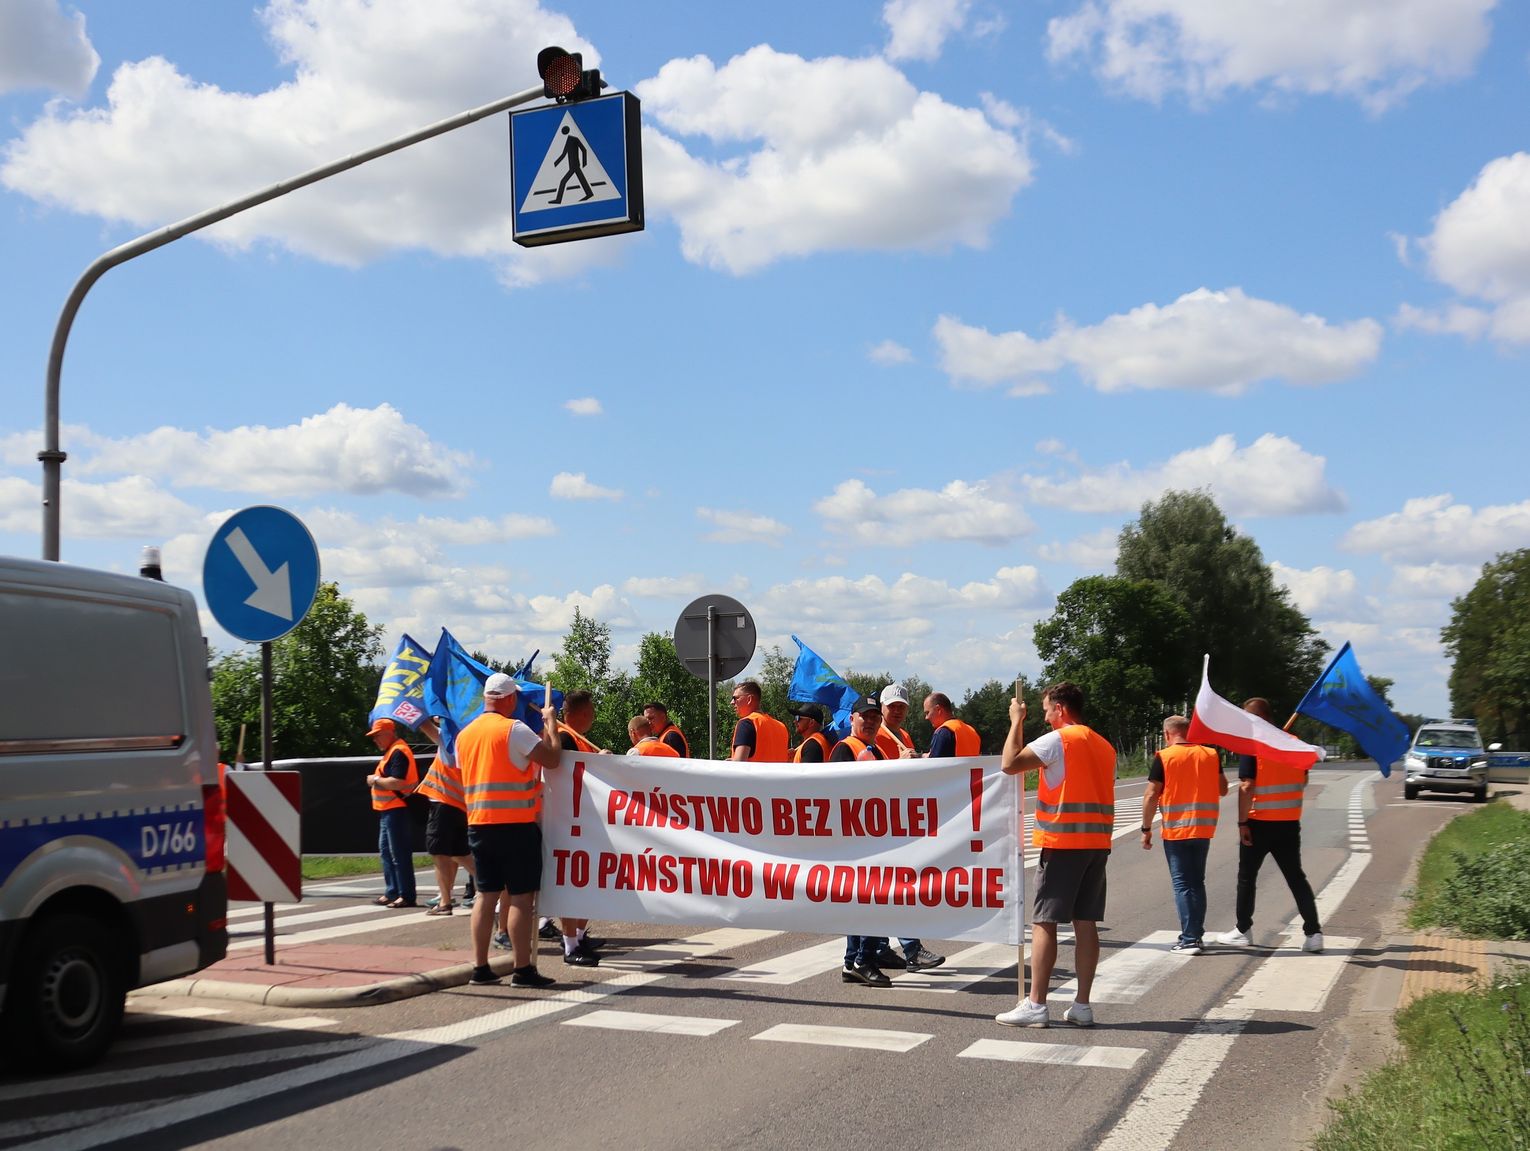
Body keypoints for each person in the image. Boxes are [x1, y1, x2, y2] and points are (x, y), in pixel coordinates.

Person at [996, 681, 1116, 1028]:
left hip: (1063, 842)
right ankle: (1082, 1006)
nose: (1045, 717)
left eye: (1047, 710)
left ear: (1060, 709)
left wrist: (1016, 720)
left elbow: (1010, 763)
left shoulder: (1058, 740)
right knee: (1086, 922)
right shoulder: (1104, 745)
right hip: (1096, 843)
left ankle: (1036, 1004)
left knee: (1044, 921)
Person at [455, 672, 563, 987]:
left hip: (479, 825)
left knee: (485, 896)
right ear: (510, 698)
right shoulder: (513, 729)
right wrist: (551, 725)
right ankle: (522, 969)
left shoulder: (465, 735)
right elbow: (552, 759)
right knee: (520, 898)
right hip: (515, 826)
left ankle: (480, 967)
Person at [829, 695, 946, 980]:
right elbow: (840, 792)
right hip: (857, 840)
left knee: (871, 901)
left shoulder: (876, 750)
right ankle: (862, 960)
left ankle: (854, 962)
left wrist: (902, 766)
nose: (870, 721)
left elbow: (889, 790)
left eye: (874, 717)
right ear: (852, 719)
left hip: (876, 838)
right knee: (868, 902)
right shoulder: (844, 749)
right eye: (864, 716)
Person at [1215, 697, 1324, 953]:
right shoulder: (1294, 743)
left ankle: (1243, 930)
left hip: (1258, 823)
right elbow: (1303, 781)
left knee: (1247, 877)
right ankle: (1314, 933)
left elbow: (1247, 786)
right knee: (1296, 878)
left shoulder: (1254, 745)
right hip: (1288, 823)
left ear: (1258, 718)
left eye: (1247, 718)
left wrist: (1242, 822)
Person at [1140, 715, 1227, 955]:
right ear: (1189, 732)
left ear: (1167, 734)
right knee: (1197, 883)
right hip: (1203, 828)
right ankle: (1195, 935)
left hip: (1177, 830)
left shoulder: (1165, 757)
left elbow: (1151, 795)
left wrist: (1146, 829)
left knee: (1182, 884)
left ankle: (1189, 940)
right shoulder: (1210, 754)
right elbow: (1223, 789)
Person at [553, 689, 606, 967]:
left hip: (582, 821)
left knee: (586, 882)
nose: (594, 717)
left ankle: (579, 937)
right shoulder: (564, 737)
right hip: (568, 822)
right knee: (572, 883)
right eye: (592, 712)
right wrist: (600, 764)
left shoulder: (573, 737)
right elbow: (571, 776)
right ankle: (570, 943)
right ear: (583, 713)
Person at [414, 718, 476, 916]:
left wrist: (419, 706)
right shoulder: (470, 739)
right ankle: (493, 883)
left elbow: (423, 724)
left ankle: (445, 902)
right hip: (460, 804)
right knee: (460, 853)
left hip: (444, 801)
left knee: (439, 852)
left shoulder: (449, 738)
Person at [365, 718, 418, 909]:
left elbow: (397, 782)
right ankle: (393, 892)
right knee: (388, 853)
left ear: (389, 733)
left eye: (377, 735)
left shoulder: (398, 751)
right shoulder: (393, 751)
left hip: (397, 809)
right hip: (388, 810)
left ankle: (406, 895)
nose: (375, 740)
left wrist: (375, 780)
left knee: (399, 853)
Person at [729, 680, 790, 763]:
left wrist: (729, 763)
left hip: (752, 772)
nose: (732, 702)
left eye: (735, 698)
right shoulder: (781, 727)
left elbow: (739, 764)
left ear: (749, 699)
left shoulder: (746, 723)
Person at [924, 692, 981, 757]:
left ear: (938, 709)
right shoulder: (972, 732)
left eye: (927, 713)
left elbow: (935, 762)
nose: (926, 717)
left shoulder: (943, 732)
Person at [875, 684, 918, 759]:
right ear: (881, 706)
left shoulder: (906, 736)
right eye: (892, 706)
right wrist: (900, 761)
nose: (897, 711)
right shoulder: (874, 736)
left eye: (901, 706)